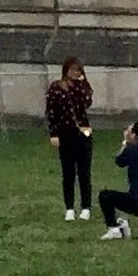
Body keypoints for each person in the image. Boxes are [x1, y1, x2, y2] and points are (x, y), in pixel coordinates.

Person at [45, 56, 94, 221]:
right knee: (68, 173)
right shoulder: (56, 88)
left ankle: (86, 207)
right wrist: (53, 134)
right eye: (72, 69)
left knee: (84, 172)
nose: (75, 73)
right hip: (65, 133)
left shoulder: (82, 87)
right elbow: (51, 112)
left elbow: (87, 103)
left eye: (78, 70)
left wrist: (83, 83)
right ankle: (69, 207)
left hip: (83, 132)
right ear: (66, 70)